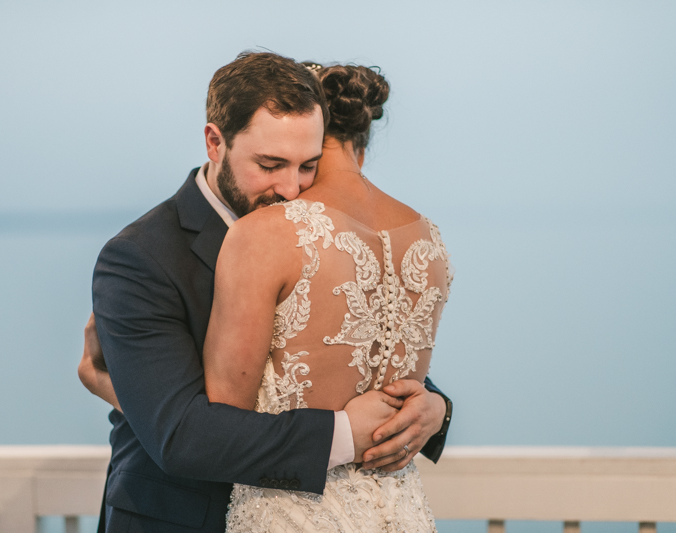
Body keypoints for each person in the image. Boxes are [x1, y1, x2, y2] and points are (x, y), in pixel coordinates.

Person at [80, 52, 452, 533]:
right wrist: (345, 434)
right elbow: (179, 437)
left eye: (307, 166)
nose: (293, 190)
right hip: (182, 520)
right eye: (271, 164)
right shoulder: (140, 257)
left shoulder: (309, 232)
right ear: (216, 143)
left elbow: (341, 352)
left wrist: (434, 409)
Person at [203, 62, 452, 531]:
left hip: (291, 512)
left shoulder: (264, 234)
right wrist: (436, 407)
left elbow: (223, 419)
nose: (291, 185)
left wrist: (111, 381)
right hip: (401, 512)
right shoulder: (429, 239)